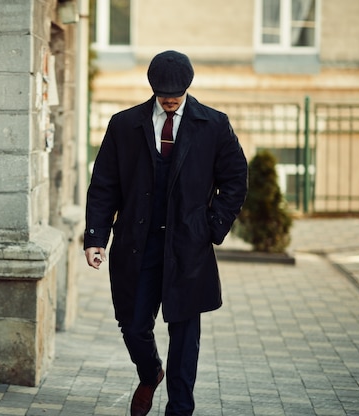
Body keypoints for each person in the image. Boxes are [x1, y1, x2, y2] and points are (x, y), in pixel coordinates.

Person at [84, 50, 248, 416]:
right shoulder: (124, 125)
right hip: (136, 247)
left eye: (176, 92)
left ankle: (180, 409)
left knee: (185, 336)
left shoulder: (214, 125)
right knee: (133, 325)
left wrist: (211, 227)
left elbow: (236, 179)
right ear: (153, 88)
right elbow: (103, 185)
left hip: (188, 249)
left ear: (188, 87)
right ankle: (150, 372)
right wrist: (96, 237)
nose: (170, 99)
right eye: (163, 92)